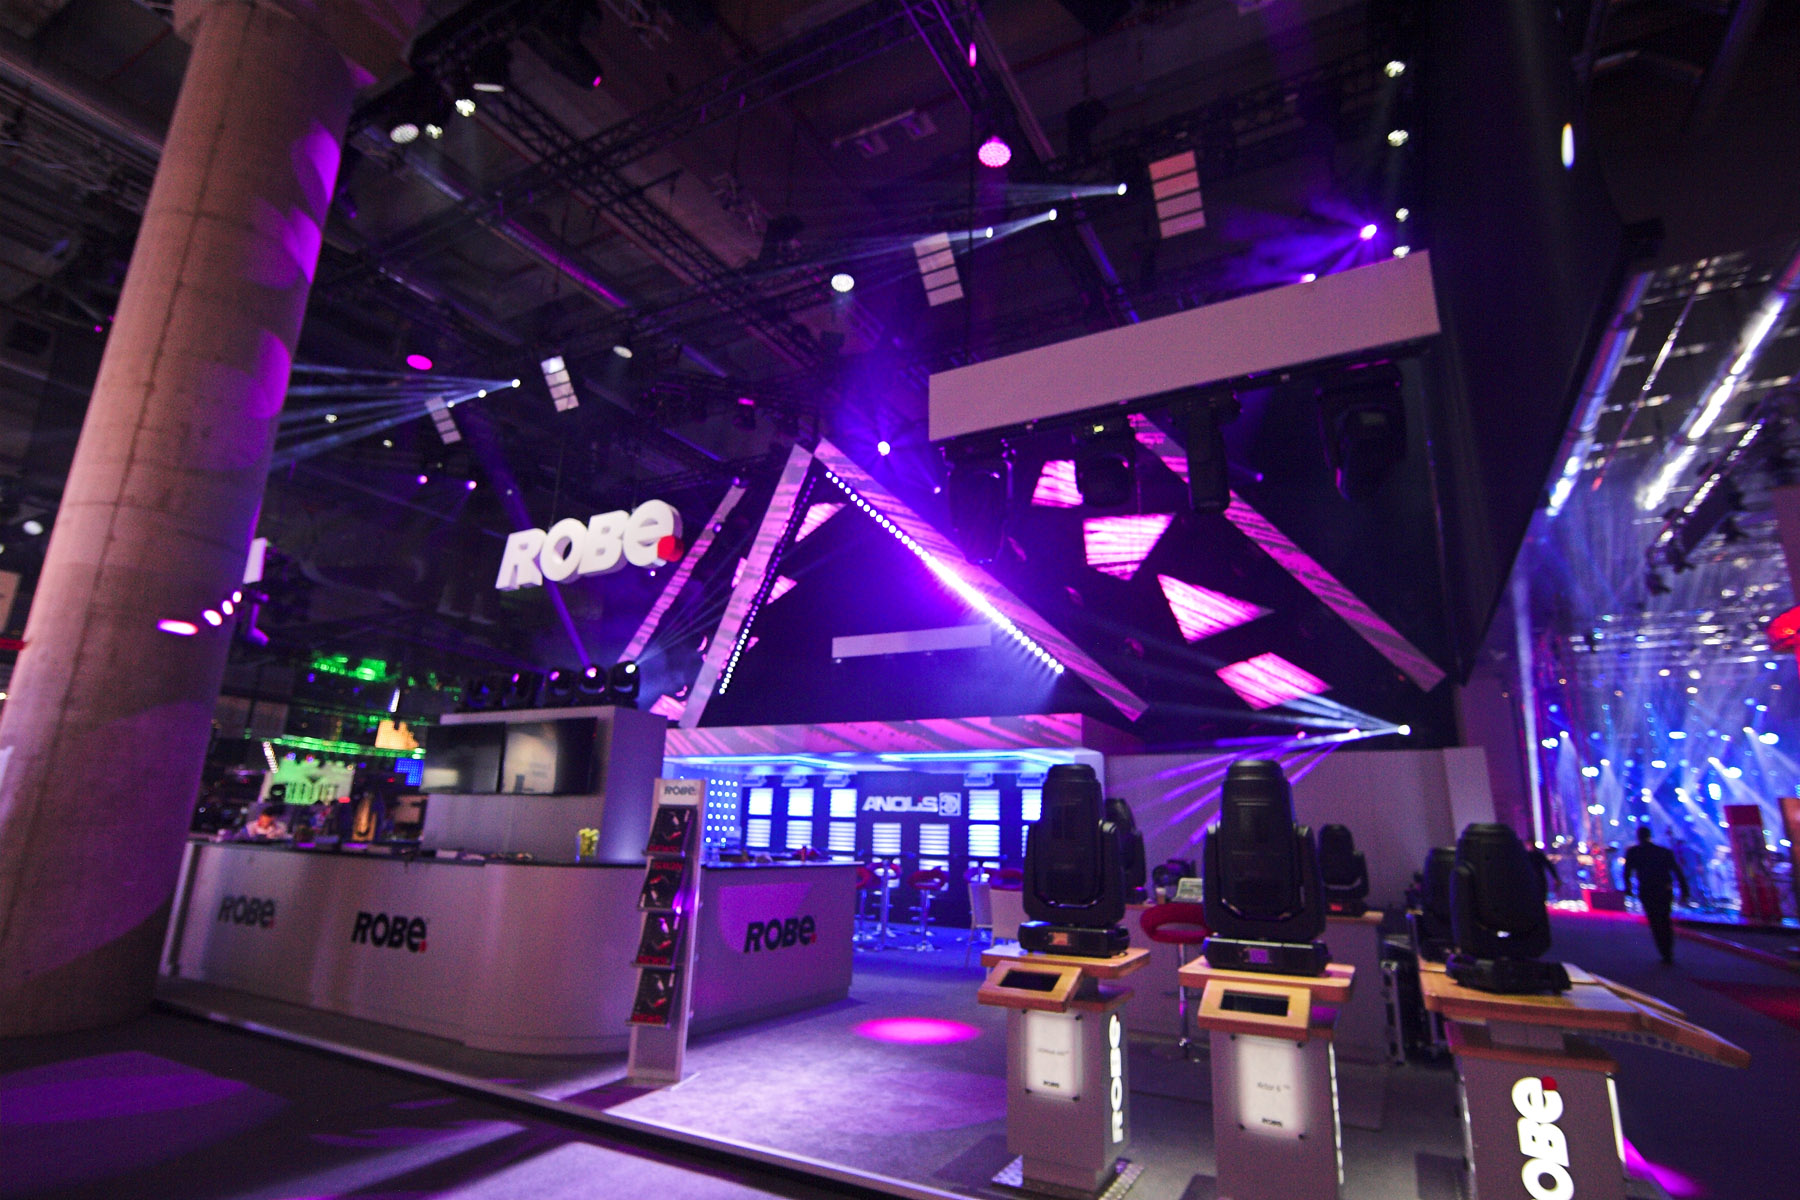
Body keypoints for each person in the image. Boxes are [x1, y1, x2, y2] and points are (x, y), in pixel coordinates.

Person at [1623, 826, 1689, 964]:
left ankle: (1664, 950)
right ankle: (1668, 950)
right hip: (1664, 889)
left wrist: (1628, 888)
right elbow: (1677, 871)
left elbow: (1627, 872)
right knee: (1665, 918)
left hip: (1647, 889)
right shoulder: (1663, 851)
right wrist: (1685, 890)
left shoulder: (1634, 852)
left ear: (1638, 836)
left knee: (1654, 920)